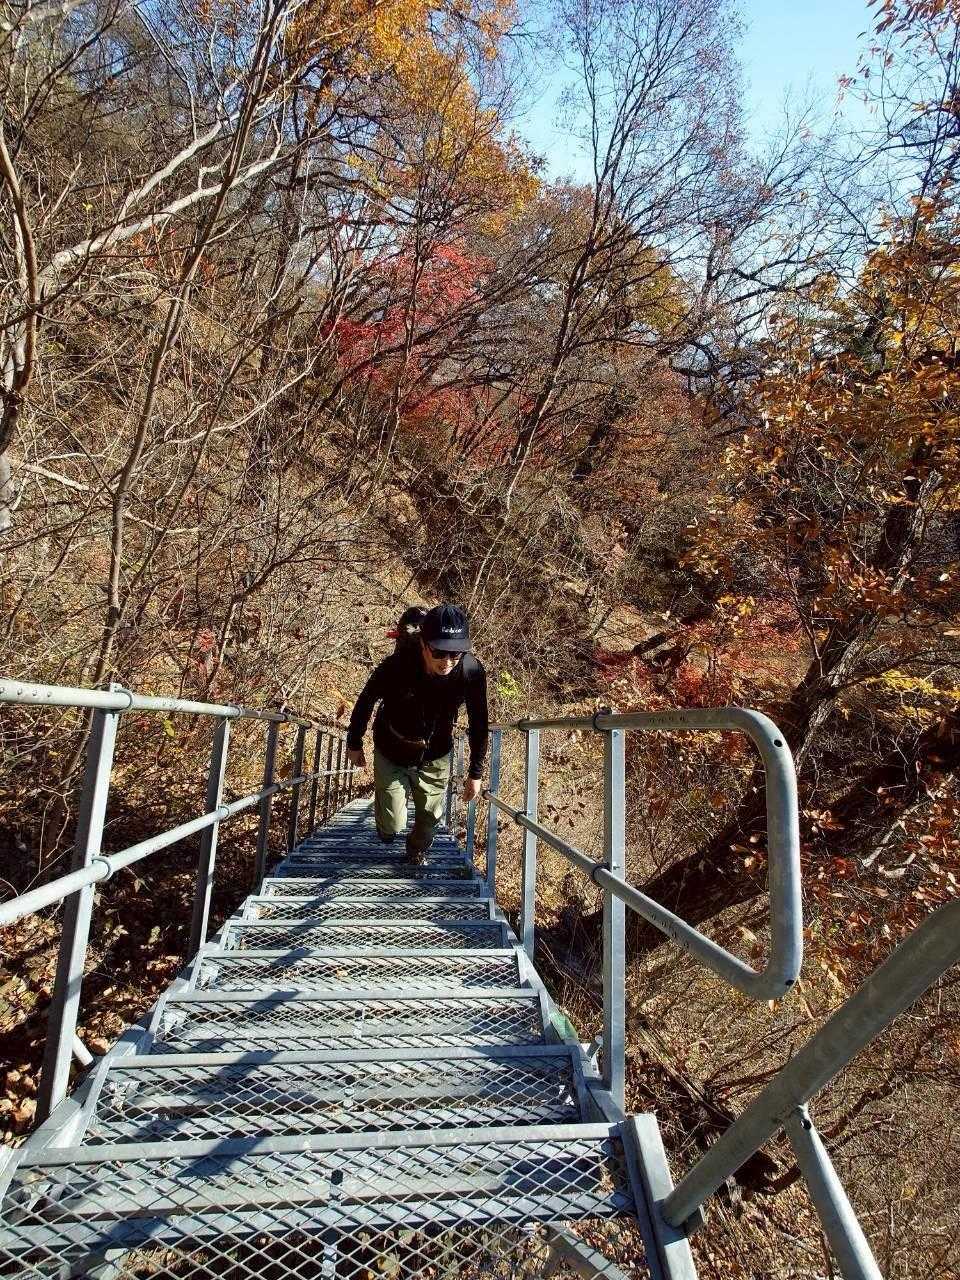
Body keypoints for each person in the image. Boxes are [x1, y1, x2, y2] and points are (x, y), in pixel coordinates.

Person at [346, 603, 488, 861]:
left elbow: (479, 723)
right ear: (424, 644)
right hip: (392, 749)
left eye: (455, 654)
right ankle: (387, 827)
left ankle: (415, 849)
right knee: (391, 826)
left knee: (430, 820)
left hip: (435, 754)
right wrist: (354, 742)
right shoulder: (397, 666)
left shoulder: (471, 672)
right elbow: (366, 700)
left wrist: (475, 773)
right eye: (439, 652)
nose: (447, 661)